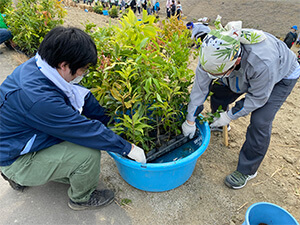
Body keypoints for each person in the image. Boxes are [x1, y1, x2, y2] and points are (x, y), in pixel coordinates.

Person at [0, 26, 146, 210]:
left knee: (79, 140)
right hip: (16, 158)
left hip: (14, 140)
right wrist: (127, 148)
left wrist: (112, 124)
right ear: (63, 65)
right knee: (88, 154)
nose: (82, 74)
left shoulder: (38, 67)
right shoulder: (40, 100)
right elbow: (86, 131)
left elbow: (82, 97)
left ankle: (27, 172)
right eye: (83, 69)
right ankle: (81, 198)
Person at [181, 19, 300, 189]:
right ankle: (220, 124)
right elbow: (200, 88)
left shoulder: (262, 62)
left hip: (282, 75)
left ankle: (247, 169)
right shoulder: (211, 52)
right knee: (219, 92)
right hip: (244, 71)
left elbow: (257, 98)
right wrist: (190, 119)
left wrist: (229, 115)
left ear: (235, 61)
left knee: (260, 121)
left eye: (219, 73)